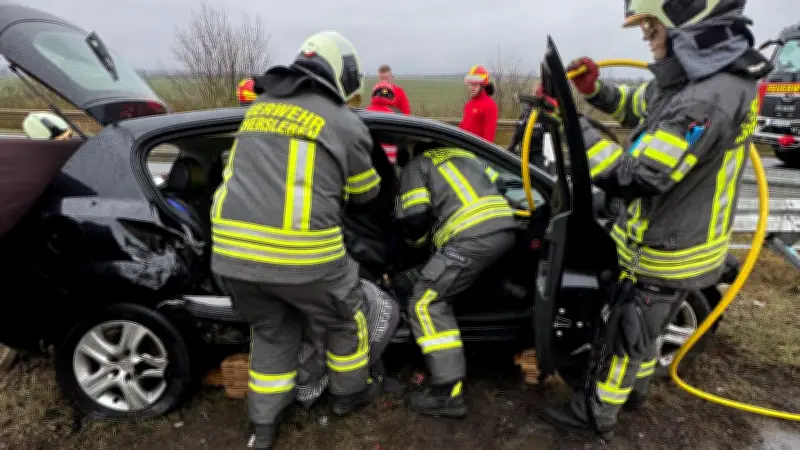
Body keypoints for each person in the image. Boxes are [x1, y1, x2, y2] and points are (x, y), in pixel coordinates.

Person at [541, 0, 770, 433]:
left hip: (669, 247)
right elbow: (641, 107)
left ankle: (594, 413)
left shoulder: (707, 96)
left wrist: (573, 127)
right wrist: (594, 92)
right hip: (674, 237)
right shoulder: (697, 79)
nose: (645, 34)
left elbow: (635, 178)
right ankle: (635, 393)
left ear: (688, 19)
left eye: (651, 24)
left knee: (625, 335)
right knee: (645, 335)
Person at [210, 30, 383, 449]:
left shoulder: (258, 109)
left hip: (233, 256)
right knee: (346, 317)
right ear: (342, 72)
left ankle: (265, 424)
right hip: (305, 258)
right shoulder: (344, 122)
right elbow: (366, 193)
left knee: (271, 330)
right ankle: (348, 395)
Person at [396, 144, 519, 417]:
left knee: (425, 302)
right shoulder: (465, 153)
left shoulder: (415, 166)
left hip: (471, 239)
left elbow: (416, 218)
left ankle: (446, 393)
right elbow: (501, 184)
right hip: (506, 230)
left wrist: (411, 245)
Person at [507, 82, 558, 172]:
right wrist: (511, 148)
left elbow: (518, 131)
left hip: (539, 153)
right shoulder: (529, 110)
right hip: (534, 153)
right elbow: (519, 130)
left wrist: (511, 148)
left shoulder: (546, 110)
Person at [459, 65, 498, 143]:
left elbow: (488, 137)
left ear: (482, 86)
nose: (471, 87)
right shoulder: (469, 104)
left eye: (475, 84)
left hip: (477, 152)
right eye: (470, 84)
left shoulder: (490, 105)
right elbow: (462, 128)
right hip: (464, 149)